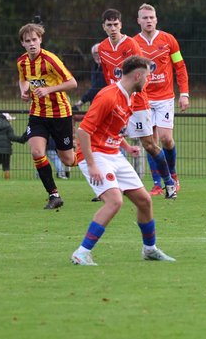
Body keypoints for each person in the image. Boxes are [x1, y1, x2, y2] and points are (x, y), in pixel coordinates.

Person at [71, 55, 176, 266]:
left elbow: (112, 129)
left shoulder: (130, 97)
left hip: (113, 154)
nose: (148, 80)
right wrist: (91, 165)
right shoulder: (108, 96)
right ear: (137, 75)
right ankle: (81, 253)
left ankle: (150, 249)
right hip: (96, 155)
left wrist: (126, 146)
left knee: (144, 201)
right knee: (115, 201)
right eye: (147, 76)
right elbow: (83, 132)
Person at [96, 8, 177, 199]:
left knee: (149, 144)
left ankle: (169, 183)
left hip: (137, 103)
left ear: (121, 25)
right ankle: (108, 188)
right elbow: (108, 75)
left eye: (116, 25)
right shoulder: (102, 48)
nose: (113, 28)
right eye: (109, 25)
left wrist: (132, 95)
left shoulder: (131, 44)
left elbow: (143, 73)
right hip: (116, 103)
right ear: (104, 27)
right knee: (106, 141)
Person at [16, 22, 77, 209]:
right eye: (28, 41)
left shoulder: (51, 60)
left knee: (68, 160)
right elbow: (23, 79)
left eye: (35, 39)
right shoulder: (22, 62)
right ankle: (54, 195)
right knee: (36, 152)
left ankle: (91, 153)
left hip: (60, 114)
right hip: (37, 114)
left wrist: (49, 89)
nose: (32, 43)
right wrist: (24, 91)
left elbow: (72, 83)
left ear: (40, 39)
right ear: (23, 44)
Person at [134, 3, 190, 194]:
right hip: (143, 98)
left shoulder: (168, 40)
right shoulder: (134, 43)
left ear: (156, 19)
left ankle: (172, 174)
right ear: (138, 21)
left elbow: (180, 67)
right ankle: (158, 183)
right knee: (150, 141)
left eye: (151, 17)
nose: (149, 21)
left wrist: (184, 93)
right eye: (145, 18)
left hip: (165, 97)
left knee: (166, 139)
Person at [0, 112, 26, 179]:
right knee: (6, 166)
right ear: (6, 119)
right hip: (6, 150)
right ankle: (7, 180)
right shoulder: (8, 126)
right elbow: (12, 137)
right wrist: (21, 139)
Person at [74, 43, 107, 110]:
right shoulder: (94, 67)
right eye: (95, 54)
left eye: (99, 52)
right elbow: (94, 88)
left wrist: (81, 101)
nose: (98, 55)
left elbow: (97, 86)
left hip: (105, 101)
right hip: (95, 101)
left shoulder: (106, 67)